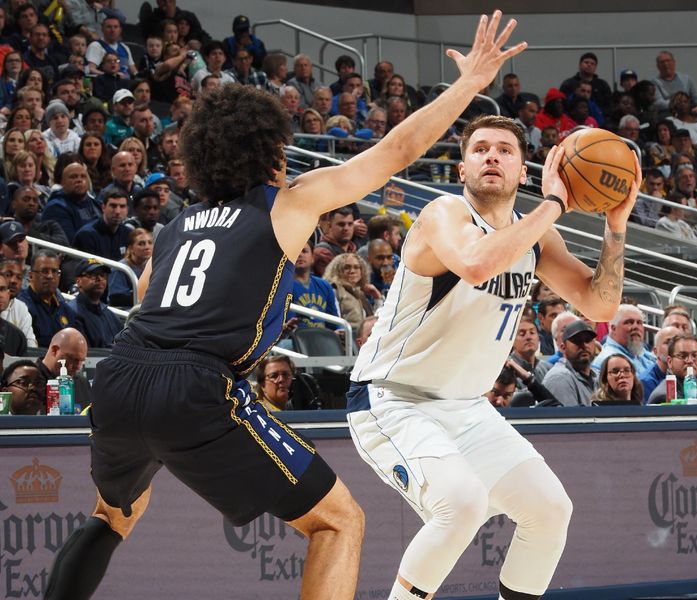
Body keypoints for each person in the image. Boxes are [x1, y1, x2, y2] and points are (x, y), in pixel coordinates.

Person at [43, 12, 526, 600]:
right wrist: (471, 82)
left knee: (111, 514)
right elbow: (395, 150)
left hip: (120, 377)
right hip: (195, 383)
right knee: (339, 520)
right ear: (268, 150)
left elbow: (147, 297)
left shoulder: (175, 227)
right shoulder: (285, 203)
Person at [349, 86, 640, 600]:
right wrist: (553, 202)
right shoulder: (444, 213)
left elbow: (600, 307)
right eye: (480, 149)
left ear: (523, 171)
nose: (492, 156)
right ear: (461, 170)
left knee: (550, 509)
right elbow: (479, 262)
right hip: (392, 399)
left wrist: (615, 227)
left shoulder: (537, 235)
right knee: (459, 505)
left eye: (505, 151)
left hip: (464, 408)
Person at [17, 249, 76, 347]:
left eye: (54, 271)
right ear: (31, 276)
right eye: (44, 271)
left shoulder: (67, 311)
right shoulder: (21, 306)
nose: (50, 276)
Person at [648, 334, 697, 404]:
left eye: (695, 355)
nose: (690, 361)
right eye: (682, 356)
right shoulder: (664, 396)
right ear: (670, 362)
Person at [542, 319, 600, 407]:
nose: (584, 345)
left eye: (588, 340)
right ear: (563, 348)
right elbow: (570, 419)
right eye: (577, 341)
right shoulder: (559, 378)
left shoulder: (597, 375)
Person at [68, 258, 123, 349]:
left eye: (103, 275)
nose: (100, 279)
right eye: (93, 275)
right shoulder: (72, 312)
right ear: (78, 281)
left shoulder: (110, 315)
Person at [591, 304, 656, 376]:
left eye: (639, 323)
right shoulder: (608, 360)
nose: (635, 327)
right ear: (613, 328)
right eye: (629, 322)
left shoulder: (641, 353)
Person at [639, 325, 681, 401]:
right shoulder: (645, 382)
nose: (673, 346)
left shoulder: (686, 375)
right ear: (655, 351)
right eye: (668, 342)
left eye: (677, 342)